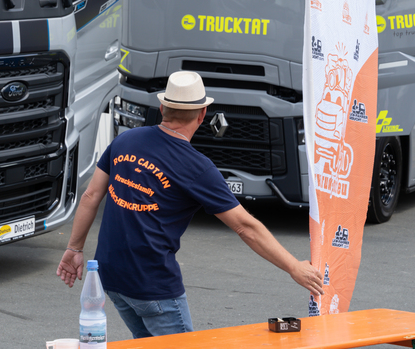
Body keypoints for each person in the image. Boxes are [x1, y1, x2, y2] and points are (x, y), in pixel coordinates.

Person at [56, 71, 324, 339]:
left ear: (162, 108)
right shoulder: (198, 167)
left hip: (110, 278)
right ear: (202, 114)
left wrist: (74, 248)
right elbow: (245, 226)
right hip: (153, 286)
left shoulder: (125, 140)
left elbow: (91, 196)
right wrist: (293, 267)